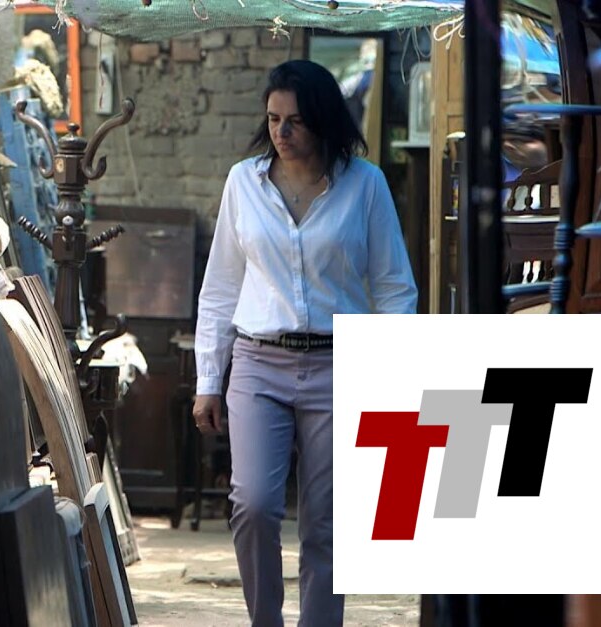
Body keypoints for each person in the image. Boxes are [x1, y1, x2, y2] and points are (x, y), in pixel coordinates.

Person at [192, 59, 418, 627]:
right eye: (273, 119)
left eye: (294, 120)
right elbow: (220, 288)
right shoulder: (243, 183)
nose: (282, 132)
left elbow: (394, 287)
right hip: (257, 363)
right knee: (253, 504)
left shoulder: (365, 184)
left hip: (339, 366)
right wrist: (208, 380)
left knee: (326, 522)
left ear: (322, 119)